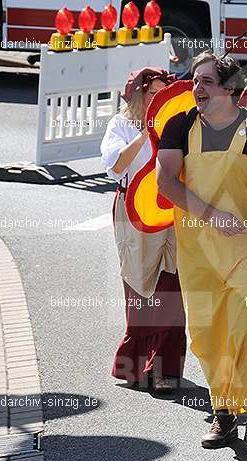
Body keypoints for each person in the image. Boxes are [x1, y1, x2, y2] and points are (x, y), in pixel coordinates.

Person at [156, 51, 247, 455]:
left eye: (206, 82)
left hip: (246, 249)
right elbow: (166, 183)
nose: (197, 88)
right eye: (195, 81)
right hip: (196, 251)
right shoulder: (179, 126)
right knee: (208, 335)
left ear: (231, 89)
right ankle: (224, 412)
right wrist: (210, 215)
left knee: (245, 329)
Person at [100, 67, 185, 395]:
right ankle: (135, 361)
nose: (158, 99)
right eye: (153, 94)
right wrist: (146, 132)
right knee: (139, 284)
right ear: (139, 95)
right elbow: (116, 165)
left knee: (172, 283)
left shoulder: (176, 125)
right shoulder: (121, 124)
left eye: (164, 93)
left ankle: (163, 367)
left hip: (173, 208)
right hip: (133, 210)